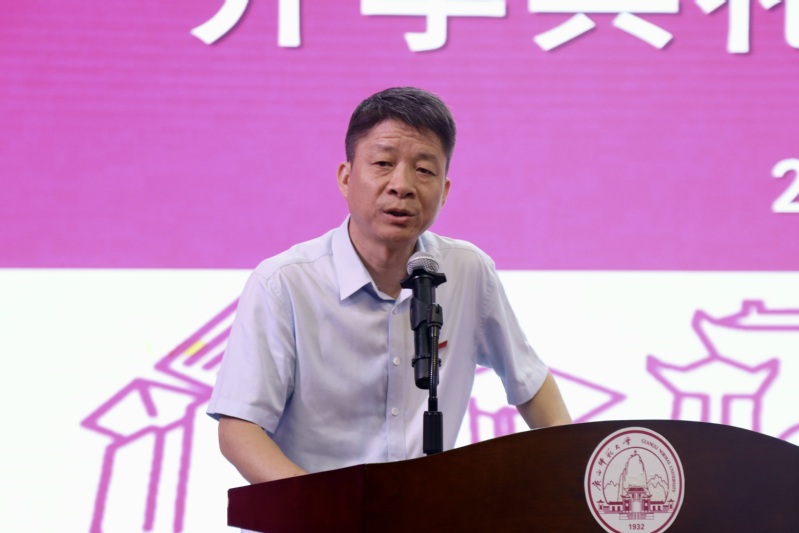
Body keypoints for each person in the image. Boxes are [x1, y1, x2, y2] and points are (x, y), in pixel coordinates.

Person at [207, 86, 572, 484]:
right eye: (383, 163)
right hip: (316, 512)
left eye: (424, 170)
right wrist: (318, 508)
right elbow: (239, 429)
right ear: (346, 178)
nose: (402, 185)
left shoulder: (468, 271)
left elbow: (531, 384)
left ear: (445, 192)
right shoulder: (284, 284)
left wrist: (573, 474)